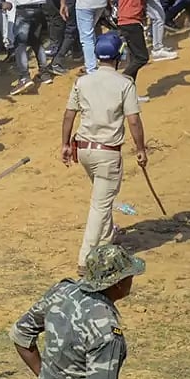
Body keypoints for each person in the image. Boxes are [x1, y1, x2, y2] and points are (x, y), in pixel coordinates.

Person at [10, 244, 144, 379]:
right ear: (118, 283)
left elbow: (21, 334)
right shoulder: (106, 332)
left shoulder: (62, 292)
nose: (133, 279)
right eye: (130, 274)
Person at [60, 33, 147, 272]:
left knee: (103, 198)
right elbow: (134, 121)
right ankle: (85, 258)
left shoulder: (82, 81)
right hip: (108, 153)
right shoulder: (124, 83)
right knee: (100, 204)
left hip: (84, 150)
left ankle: (108, 238)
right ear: (119, 57)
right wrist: (140, 148)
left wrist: (65, 144)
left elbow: (69, 114)